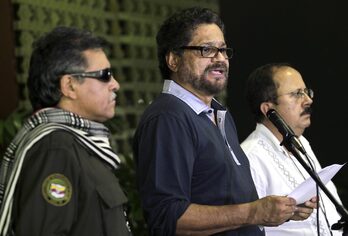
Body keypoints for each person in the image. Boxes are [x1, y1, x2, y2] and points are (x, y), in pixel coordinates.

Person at [132, 7, 316, 236]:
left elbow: (228, 201)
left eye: (223, 50)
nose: (220, 59)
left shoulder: (220, 115)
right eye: (207, 50)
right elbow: (167, 217)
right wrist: (254, 213)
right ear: (173, 60)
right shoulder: (168, 118)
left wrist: (281, 210)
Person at [0, 26, 132, 235]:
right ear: (69, 86)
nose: (115, 84)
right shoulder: (56, 149)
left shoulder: (78, 144)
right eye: (105, 75)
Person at [241, 62, 343, 235]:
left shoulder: (301, 142)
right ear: (268, 109)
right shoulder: (251, 157)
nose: (308, 100)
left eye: (306, 92)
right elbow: (247, 227)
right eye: (296, 94)